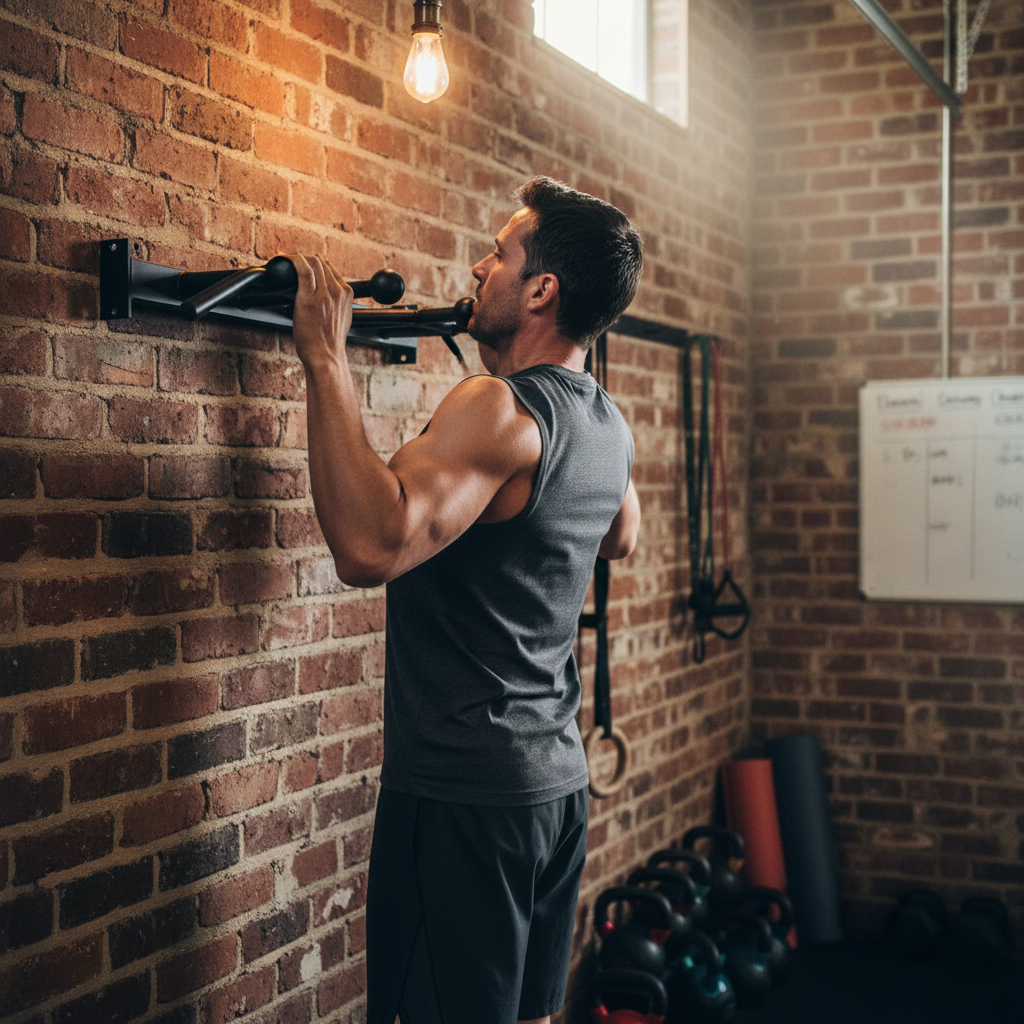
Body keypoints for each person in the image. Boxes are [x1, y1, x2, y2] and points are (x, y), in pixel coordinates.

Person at [289, 176, 643, 1024]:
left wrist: (325, 359)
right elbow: (620, 538)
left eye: (501, 252)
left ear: (541, 290)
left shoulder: (496, 406)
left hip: (463, 794)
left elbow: (372, 546)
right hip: (554, 789)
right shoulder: (606, 425)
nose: (481, 265)